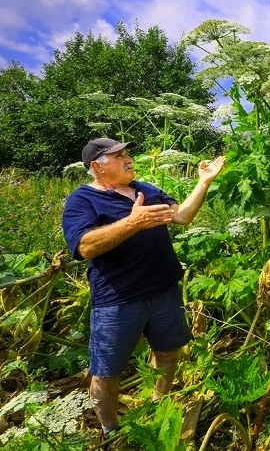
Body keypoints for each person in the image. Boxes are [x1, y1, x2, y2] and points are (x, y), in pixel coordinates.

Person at [61, 138, 225, 437]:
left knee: (168, 354)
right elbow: (84, 247)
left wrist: (204, 182)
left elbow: (182, 216)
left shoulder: (146, 189)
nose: (129, 159)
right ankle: (111, 429)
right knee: (107, 370)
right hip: (118, 299)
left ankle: (158, 406)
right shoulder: (82, 200)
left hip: (164, 291)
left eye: (127, 153)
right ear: (97, 166)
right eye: (119, 156)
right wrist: (132, 222)